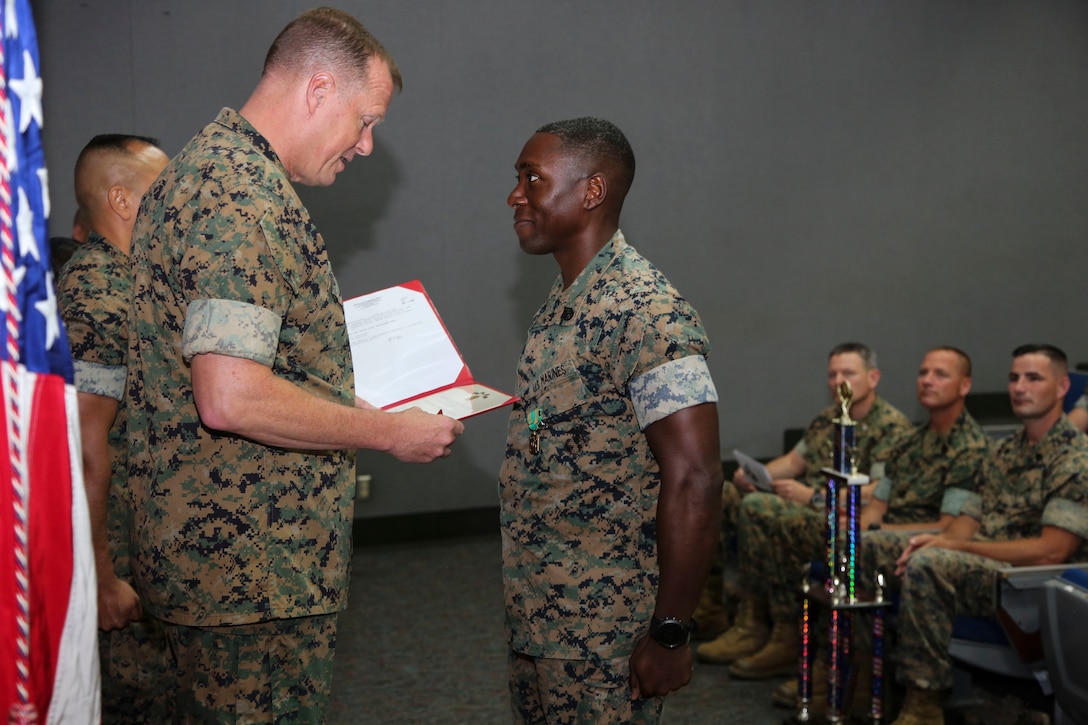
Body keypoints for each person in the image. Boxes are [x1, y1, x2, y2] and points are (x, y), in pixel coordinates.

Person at [125, 8, 464, 722]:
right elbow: (230, 396)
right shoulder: (242, 199)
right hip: (250, 573)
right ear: (317, 90)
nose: (367, 146)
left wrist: (347, 400)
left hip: (213, 565)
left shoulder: (202, 170)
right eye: (364, 120)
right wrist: (387, 434)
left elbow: (238, 371)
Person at [499, 117, 723, 724]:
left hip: (604, 636)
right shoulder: (562, 305)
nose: (516, 194)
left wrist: (671, 633)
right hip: (543, 620)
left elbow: (696, 479)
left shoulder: (646, 311)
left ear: (591, 192)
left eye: (532, 178)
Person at [765, 347, 992, 710]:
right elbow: (877, 508)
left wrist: (871, 527)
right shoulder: (909, 442)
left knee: (858, 546)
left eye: (940, 374)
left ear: (965, 385)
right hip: (888, 534)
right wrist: (854, 521)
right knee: (843, 537)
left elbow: (949, 527)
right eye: (923, 372)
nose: (927, 381)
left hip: (925, 540)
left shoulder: (970, 447)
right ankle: (839, 666)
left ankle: (848, 671)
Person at [881, 344, 1088, 725]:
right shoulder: (1003, 451)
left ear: (1061, 388)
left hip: (1029, 587)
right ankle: (858, 673)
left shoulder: (1075, 460)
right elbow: (967, 520)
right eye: (1013, 378)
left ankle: (923, 705)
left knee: (929, 561)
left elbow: (1051, 553)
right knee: (874, 547)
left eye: (1033, 378)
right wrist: (940, 539)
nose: (1019, 388)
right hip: (984, 566)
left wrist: (950, 546)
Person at [696, 342, 912, 665]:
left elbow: (878, 490)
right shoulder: (826, 419)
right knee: (726, 493)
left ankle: (779, 630)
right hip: (803, 501)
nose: (839, 381)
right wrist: (756, 474)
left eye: (849, 373)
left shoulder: (891, 427)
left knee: (759, 507)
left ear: (873, 377)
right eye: (833, 374)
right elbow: (793, 462)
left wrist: (813, 496)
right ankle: (716, 607)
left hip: (838, 514)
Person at [57, 133, 172, 722]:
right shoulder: (97, 291)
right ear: (122, 202)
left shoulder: (138, 282)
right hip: (121, 557)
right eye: (165, 190)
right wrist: (101, 578)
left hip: (153, 548)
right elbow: (82, 444)